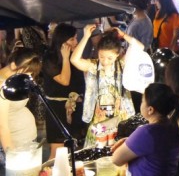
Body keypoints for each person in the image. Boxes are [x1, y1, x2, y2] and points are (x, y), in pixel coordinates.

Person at [71, 25, 141, 148]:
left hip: (121, 115)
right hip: (99, 116)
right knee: (98, 150)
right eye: (101, 56)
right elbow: (74, 60)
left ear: (117, 54)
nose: (105, 61)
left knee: (119, 149)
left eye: (110, 57)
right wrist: (86, 36)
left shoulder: (122, 64)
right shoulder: (93, 66)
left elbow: (139, 47)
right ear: (97, 53)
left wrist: (124, 35)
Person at [41, 24, 85, 159]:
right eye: (72, 39)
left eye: (76, 38)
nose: (75, 42)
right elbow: (65, 80)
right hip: (58, 108)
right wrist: (65, 58)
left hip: (75, 106)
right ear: (62, 40)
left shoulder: (74, 56)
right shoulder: (50, 57)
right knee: (57, 151)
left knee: (73, 147)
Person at [0, 49, 42, 167]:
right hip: (15, 145)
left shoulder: (15, 81)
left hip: (27, 141)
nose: (28, 77)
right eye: (27, 72)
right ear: (13, 65)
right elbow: (2, 127)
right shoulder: (2, 86)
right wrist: (13, 156)